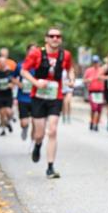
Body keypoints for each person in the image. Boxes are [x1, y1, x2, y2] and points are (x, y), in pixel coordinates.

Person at [21, 28, 72, 179]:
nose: (55, 38)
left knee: (53, 130)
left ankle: (50, 167)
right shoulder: (36, 53)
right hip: (38, 97)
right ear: (46, 39)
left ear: (61, 39)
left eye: (58, 36)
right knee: (39, 133)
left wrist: (72, 78)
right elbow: (24, 71)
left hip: (55, 96)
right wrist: (35, 82)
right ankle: (37, 145)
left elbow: (70, 69)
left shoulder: (65, 55)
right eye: (52, 36)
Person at [15, 43, 37, 141]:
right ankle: (25, 128)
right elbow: (12, 77)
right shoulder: (20, 65)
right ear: (27, 51)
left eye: (35, 50)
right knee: (24, 122)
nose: (33, 52)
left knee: (36, 122)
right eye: (31, 50)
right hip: (23, 97)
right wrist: (18, 83)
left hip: (36, 97)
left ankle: (33, 144)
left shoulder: (39, 65)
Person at [0, 48, 17, 135]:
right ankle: (3, 129)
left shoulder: (12, 65)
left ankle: (9, 120)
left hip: (8, 94)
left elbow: (15, 79)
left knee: (8, 111)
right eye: (2, 54)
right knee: (1, 113)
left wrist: (11, 85)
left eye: (5, 54)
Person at [84, 55, 105, 131]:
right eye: (94, 62)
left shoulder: (102, 70)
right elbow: (84, 80)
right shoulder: (89, 70)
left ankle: (96, 123)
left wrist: (102, 78)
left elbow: (105, 78)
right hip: (92, 92)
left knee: (99, 109)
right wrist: (88, 80)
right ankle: (93, 123)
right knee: (94, 108)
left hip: (100, 92)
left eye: (96, 62)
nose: (95, 64)